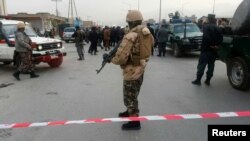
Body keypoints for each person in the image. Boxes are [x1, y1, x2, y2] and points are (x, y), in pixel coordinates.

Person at [111, 10, 154, 130]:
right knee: (133, 93)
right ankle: (129, 111)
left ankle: (135, 122)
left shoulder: (131, 35)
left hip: (132, 70)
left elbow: (120, 57)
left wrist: (111, 59)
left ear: (131, 22)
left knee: (129, 96)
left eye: (128, 22)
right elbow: (152, 44)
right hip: (141, 67)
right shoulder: (146, 32)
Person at [192, 14, 223, 86]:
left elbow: (206, 37)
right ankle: (208, 80)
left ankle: (198, 80)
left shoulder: (206, 27)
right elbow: (221, 39)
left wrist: (211, 44)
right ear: (214, 19)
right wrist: (216, 45)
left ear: (209, 19)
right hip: (214, 51)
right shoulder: (218, 28)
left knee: (201, 65)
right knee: (211, 66)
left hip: (206, 49)